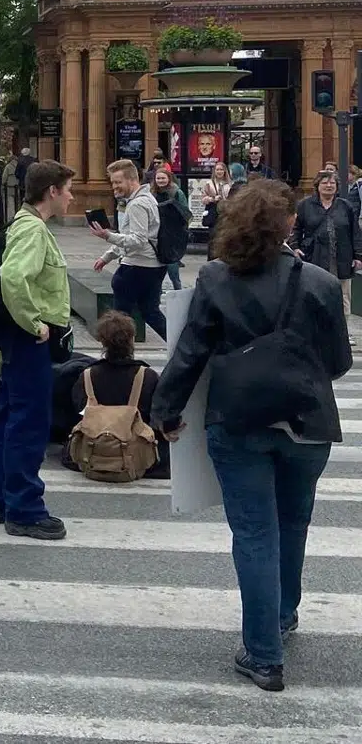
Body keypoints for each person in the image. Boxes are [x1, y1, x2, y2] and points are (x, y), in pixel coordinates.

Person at [153, 179, 353, 691]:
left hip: (239, 421)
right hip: (308, 425)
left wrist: (166, 410)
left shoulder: (216, 279)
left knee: (255, 533)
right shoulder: (321, 283)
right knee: (293, 524)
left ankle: (263, 655)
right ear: (290, 224)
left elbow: (191, 353)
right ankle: (283, 616)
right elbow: (339, 363)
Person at [0, 159, 75, 539]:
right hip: (28, 338)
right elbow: (13, 275)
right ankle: (24, 508)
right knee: (29, 421)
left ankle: (1, 499)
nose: (72, 197)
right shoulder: (33, 230)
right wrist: (35, 322)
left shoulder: (27, 225)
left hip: (18, 337)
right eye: (68, 190)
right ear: (51, 192)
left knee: (10, 415)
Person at [63, 310, 167, 478]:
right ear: (132, 340)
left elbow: (77, 411)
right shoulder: (147, 377)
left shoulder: (87, 376)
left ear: (102, 342)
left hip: (93, 452)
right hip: (135, 455)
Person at [91, 158, 167, 341]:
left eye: (118, 182)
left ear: (132, 180)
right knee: (150, 312)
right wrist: (107, 256)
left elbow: (137, 240)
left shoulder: (137, 204)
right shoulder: (147, 198)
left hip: (136, 266)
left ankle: (118, 354)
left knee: (119, 319)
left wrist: (107, 235)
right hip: (152, 266)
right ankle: (180, 344)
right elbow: (131, 236)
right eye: (112, 182)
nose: (114, 187)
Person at [289, 170, 358, 281]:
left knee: (343, 295)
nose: (329, 185)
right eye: (325, 183)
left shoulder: (345, 206)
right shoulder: (304, 205)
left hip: (341, 259)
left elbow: (355, 232)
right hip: (313, 258)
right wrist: (295, 248)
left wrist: (358, 256)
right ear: (317, 185)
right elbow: (295, 229)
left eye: (332, 183)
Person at [151, 164, 190, 290]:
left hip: (173, 232)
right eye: (158, 178)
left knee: (171, 262)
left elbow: (185, 212)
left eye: (163, 178)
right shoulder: (151, 193)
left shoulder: (176, 192)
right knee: (156, 262)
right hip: (157, 231)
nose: (161, 181)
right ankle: (157, 290)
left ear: (169, 178)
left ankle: (177, 288)